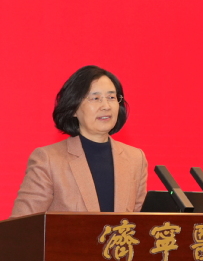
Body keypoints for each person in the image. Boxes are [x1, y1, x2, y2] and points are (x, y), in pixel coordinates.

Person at [11, 65, 148, 216]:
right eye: (95, 98)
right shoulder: (48, 160)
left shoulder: (135, 159)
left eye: (111, 97)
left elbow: (140, 223)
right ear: (74, 108)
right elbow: (22, 224)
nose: (106, 106)